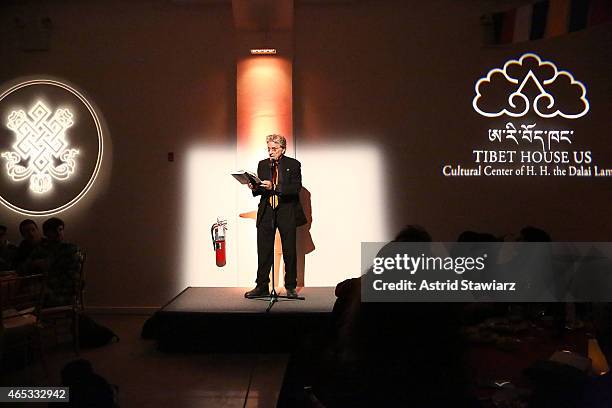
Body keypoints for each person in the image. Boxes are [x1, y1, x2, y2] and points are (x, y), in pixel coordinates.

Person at [244, 134, 307, 299]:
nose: (270, 152)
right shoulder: (263, 164)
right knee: (264, 249)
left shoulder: (293, 164)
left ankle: (291, 286)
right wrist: (254, 187)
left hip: (286, 210)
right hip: (267, 211)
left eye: (274, 149)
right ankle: (262, 286)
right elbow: (260, 191)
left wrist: (275, 186)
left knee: (289, 250)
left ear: (283, 149)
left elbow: (295, 188)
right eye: (269, 148)